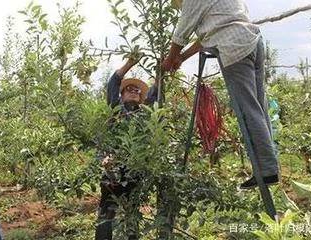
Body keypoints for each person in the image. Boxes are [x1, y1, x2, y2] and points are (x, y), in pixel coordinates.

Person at [162, 0, 280, 189]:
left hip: (234, 46)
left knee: (248, 110)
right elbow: (204, 38)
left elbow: (181, 32)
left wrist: (169, 60)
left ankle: (266, 171)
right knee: (259, 106)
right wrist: (182, 58)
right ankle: (270, 166)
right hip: (252, 41)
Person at [95, 57, 158, 240]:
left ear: (141, 98)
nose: (134, 92)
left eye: (137, 91)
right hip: (112, 169)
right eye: (129, 90)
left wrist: (160, 73)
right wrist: (130, 63)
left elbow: (155, 95)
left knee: (132, 214)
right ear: (122, 95)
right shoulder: (115, 110)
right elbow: (113, 83)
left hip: (135, 171)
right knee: (107, 212)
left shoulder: (143, 115)